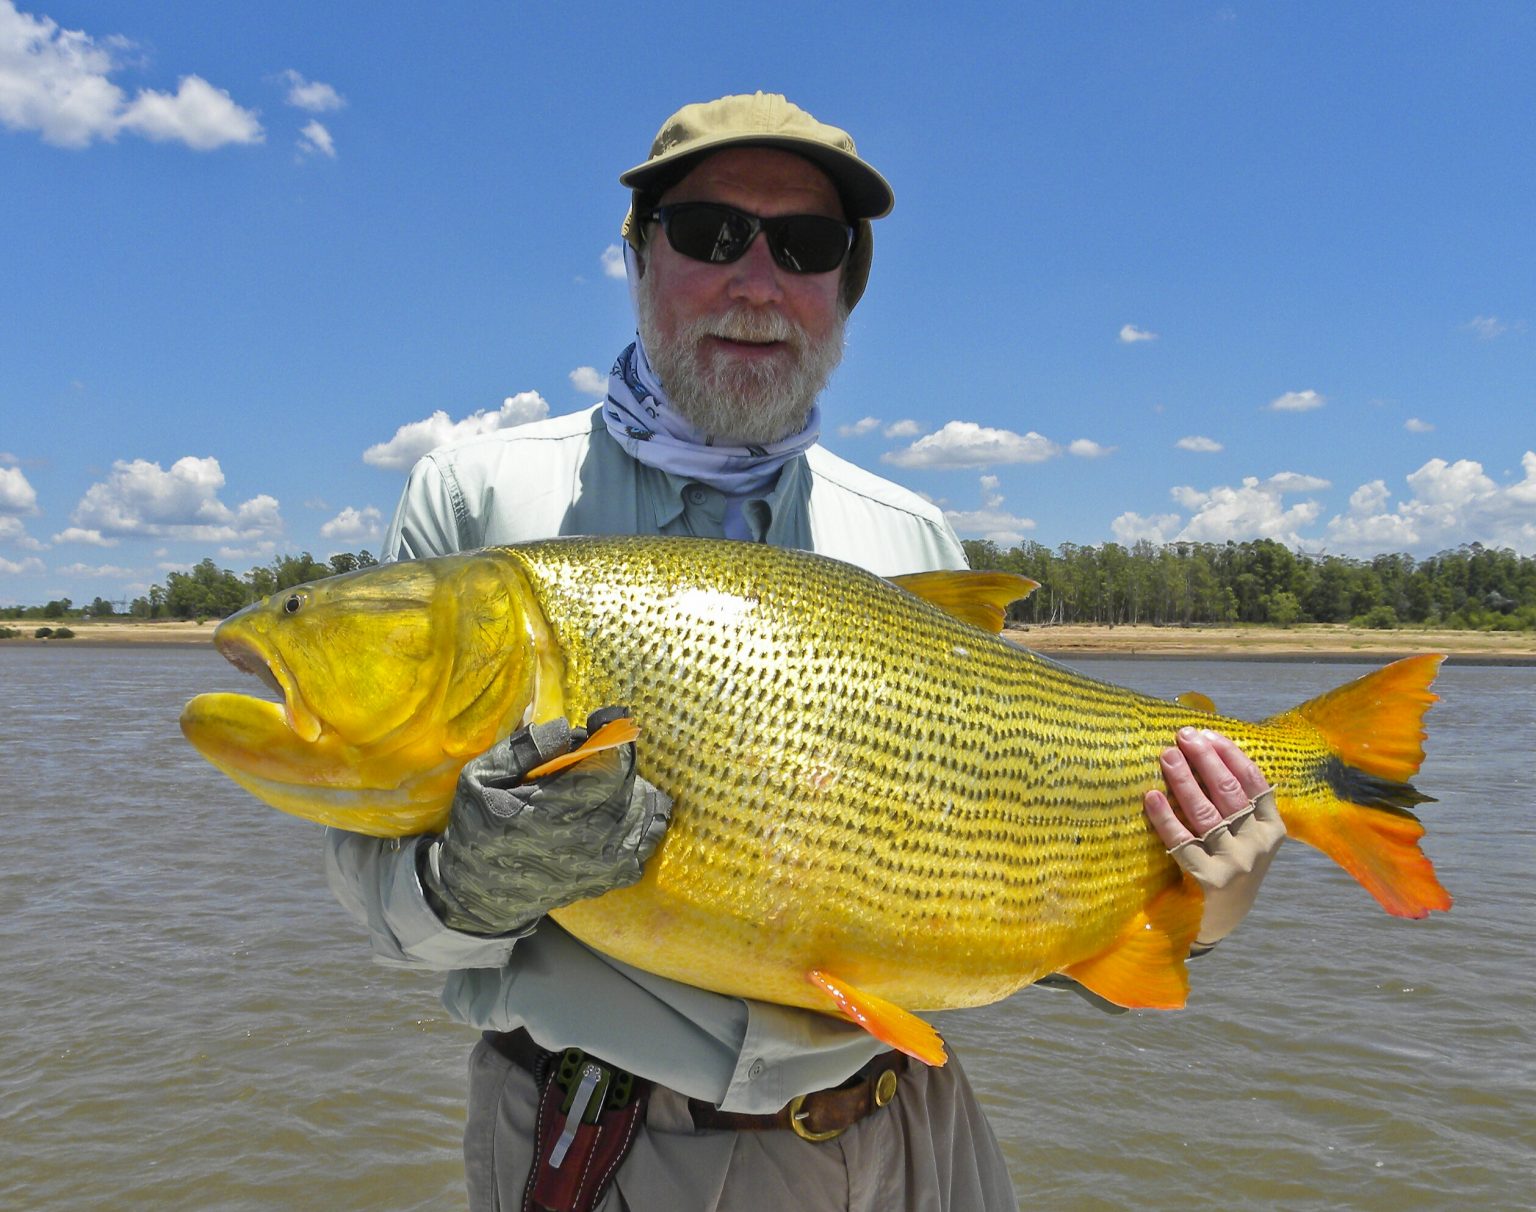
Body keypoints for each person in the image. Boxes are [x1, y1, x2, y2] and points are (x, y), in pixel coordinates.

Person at [325, 92, 1285, 1212]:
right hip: (606, 1141)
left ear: (844, 293)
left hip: (908, 1124)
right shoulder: (477, 502)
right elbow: (374, 887)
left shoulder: (913, 536)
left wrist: (1203, 909)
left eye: (807, 246)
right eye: (708, 233)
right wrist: (466, 886)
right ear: (636, 257)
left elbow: (991, 890)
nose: (756, 279)